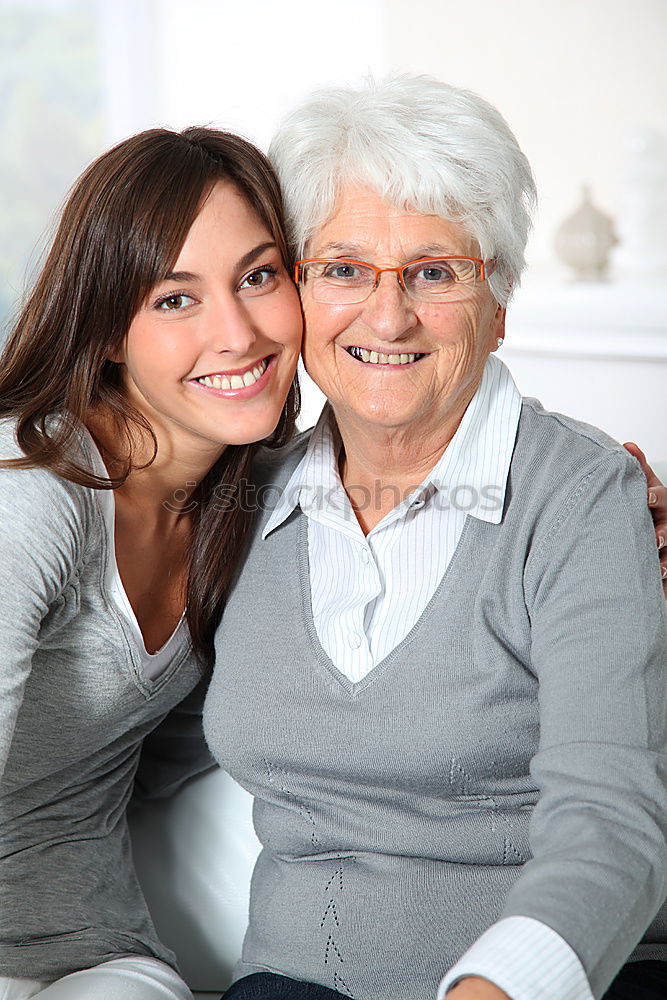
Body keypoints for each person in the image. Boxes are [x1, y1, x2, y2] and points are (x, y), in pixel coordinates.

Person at [201, 76, 667, 1000]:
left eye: (435, 271)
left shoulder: (579, 496)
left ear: (497, 305)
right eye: (341, 268)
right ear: (295, 293)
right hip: (287, 984)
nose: (387, 315)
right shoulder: (236, 501)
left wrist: (493, 986)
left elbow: (609, 821)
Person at [0, 127, 302, 1000]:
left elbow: (434, 464)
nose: (237, 332)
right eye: (175, 300)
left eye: (258, 276)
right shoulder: (32, 495)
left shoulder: (262, 502)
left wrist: (608, 496)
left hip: (97, 959)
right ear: (104, 334)